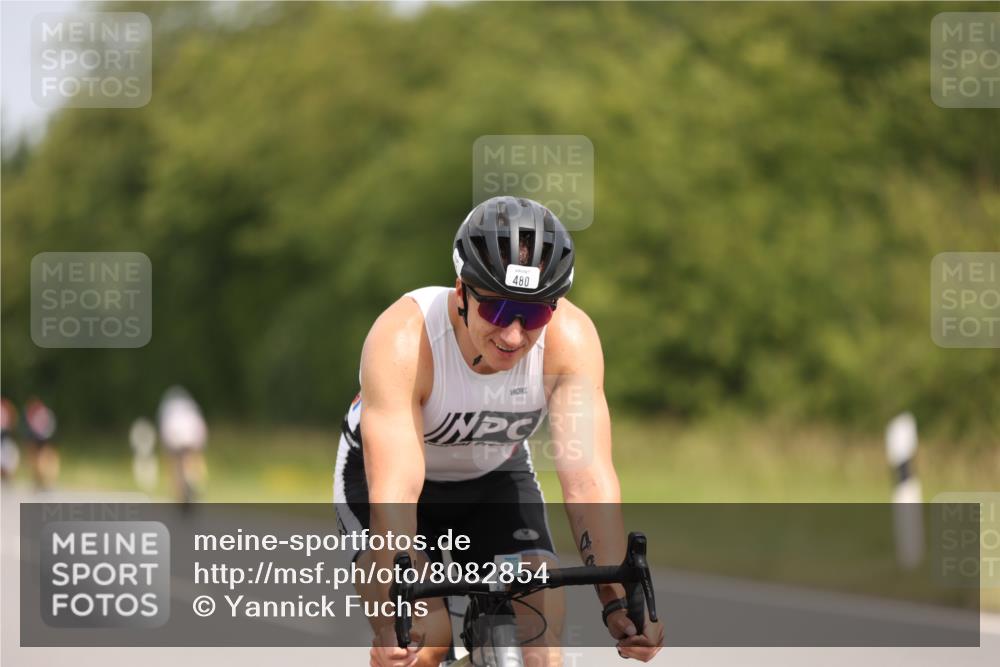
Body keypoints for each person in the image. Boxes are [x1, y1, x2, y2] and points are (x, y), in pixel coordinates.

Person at [334, 196, 664, 666]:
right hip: (393, 485)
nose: (513, 335)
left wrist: (619, 602)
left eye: (532, 315)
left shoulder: (570, 342)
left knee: (542, 639)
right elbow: (398, 491)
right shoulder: (405, 340)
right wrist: (393, 620)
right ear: (461, 292)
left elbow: (587, 477)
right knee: (422, 642)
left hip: (495, 478)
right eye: (496, 309)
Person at [157, 386, 208, 505]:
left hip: (174, 434)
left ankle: (178, 491)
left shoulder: (169, 410)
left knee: (174, 463)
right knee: (194, 458)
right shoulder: (191, 409)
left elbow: (165, 438)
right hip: (192, 434)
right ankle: (198, 482)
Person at [24, 397, 59, 490]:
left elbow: (49, 430)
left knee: (44, 462)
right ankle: (38, 482)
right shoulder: (33, 415)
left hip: (45, 441)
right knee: (36, 462)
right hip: (37, 441)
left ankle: (47, 483)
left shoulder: (45, 415)